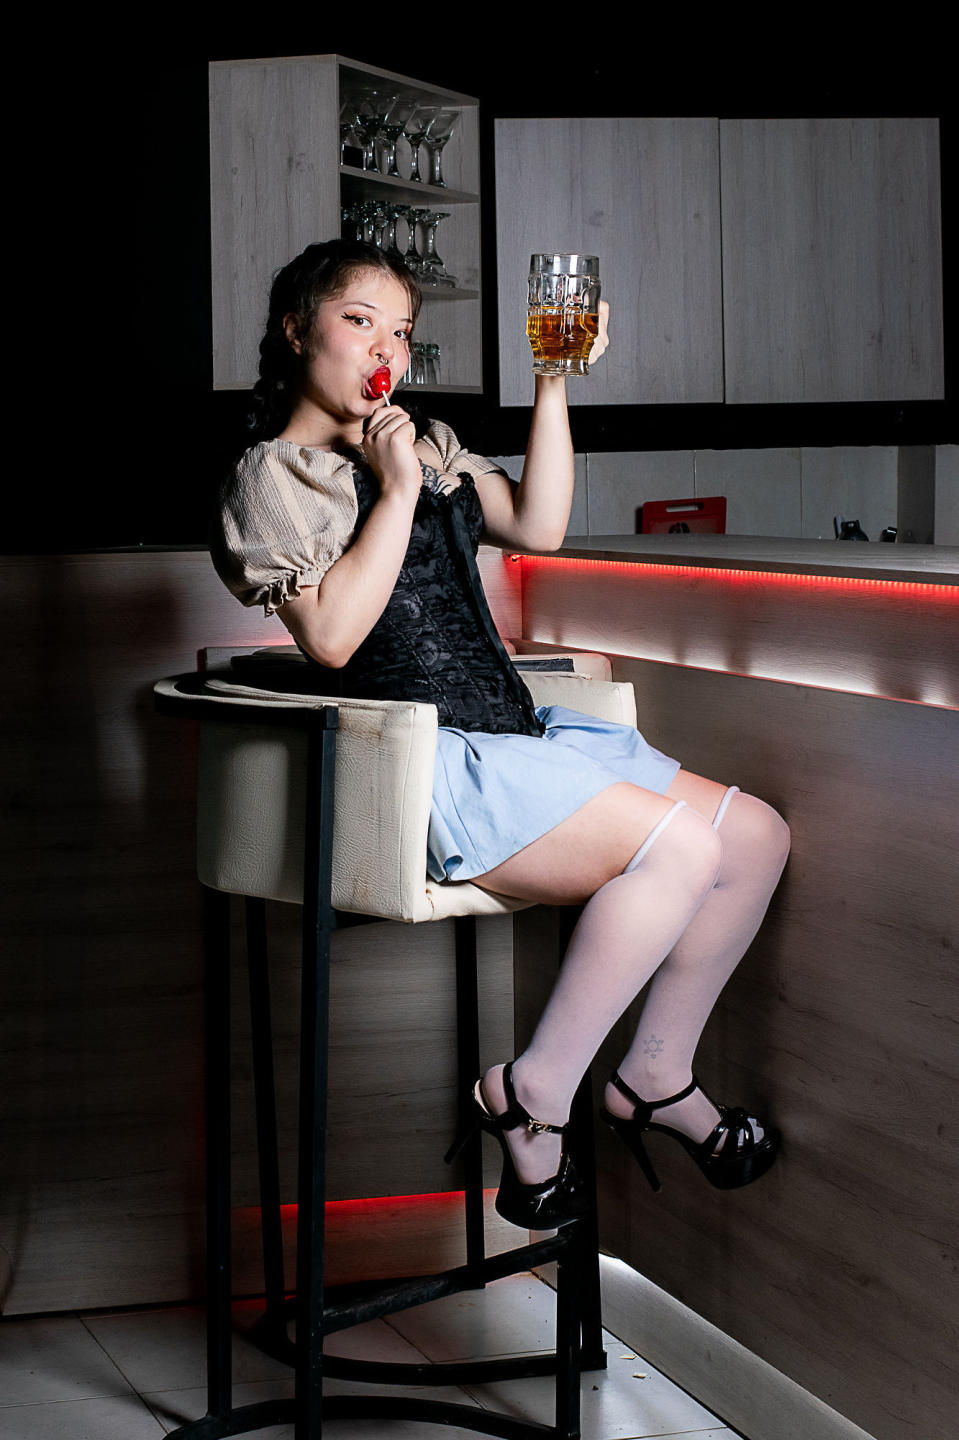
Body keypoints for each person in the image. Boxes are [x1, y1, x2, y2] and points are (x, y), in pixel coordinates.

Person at [211, 239, 791, 1230]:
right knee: (681, 849)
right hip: (416, 761)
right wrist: (395, 490)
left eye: (402, 332)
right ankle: (531, 1095)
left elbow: (538, 526)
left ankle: (651, 1075)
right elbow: (335, 638)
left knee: (754, 837)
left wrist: (550, 378)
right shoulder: (272, 476)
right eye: (360, 322)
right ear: (296, 329)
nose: (385, 349)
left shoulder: (426, 442)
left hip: (512, 733)